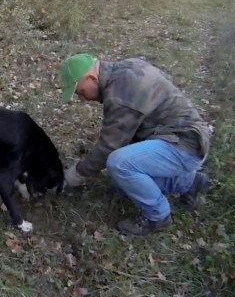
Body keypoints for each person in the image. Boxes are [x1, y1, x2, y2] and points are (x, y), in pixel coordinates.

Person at [59, 53, 213, 236]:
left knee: (119, 163)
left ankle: (158, 217)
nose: (83, 99)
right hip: (176, 136)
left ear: (92, 78)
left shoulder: (120, 94)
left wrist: (74, 175)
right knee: (120, 181)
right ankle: (188, 182)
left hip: (185, 143)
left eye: (81, 92)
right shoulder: (127, 68)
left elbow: (109, 147)